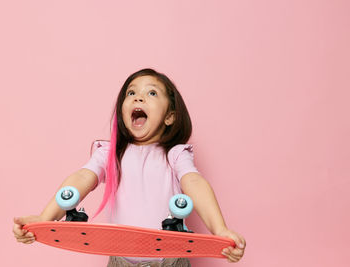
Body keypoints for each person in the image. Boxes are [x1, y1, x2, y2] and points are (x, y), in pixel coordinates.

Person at [13, 68, 246, 266]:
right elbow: (80, 180)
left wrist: (220, 229)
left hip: (169, 262)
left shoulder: (175, 155)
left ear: (170, 117)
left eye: (151, 93)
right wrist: (45, 218)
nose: (138, 98)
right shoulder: (111, 154)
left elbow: (194, 183)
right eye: (131, 92)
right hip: (120, 263)